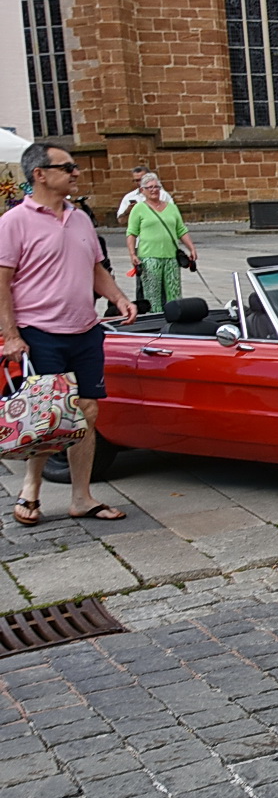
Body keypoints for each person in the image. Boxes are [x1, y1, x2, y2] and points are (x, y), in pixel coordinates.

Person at [0, 144, 138, 525]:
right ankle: (31, 490)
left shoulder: (79, 218)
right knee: (47, 414)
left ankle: (81, 496)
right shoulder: (14, 222)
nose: (76, 173)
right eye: (68, 167)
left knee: (88, 412)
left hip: (85, 330)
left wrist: (119, 298)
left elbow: (95, 268)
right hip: (39, 332)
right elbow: (2, 283)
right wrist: (10, 336)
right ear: (39, 174)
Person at [125, 173, 198, 314]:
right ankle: (156, 319)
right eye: (150, 187)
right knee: (152, 294)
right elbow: (131, 233)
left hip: (171, 256)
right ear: (143, 190)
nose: (154, 190)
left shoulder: (171, 208)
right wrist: (132, 254)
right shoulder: (139, 209)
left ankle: (176, 318)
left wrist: (191, 248)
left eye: (157, 187)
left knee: (174, 292)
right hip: (149, 257)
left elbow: (181, 230)